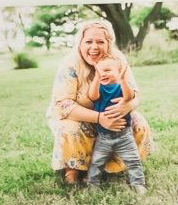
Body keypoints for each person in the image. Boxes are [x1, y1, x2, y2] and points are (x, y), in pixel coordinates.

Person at [47, 19, 154, 192]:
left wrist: (127, 107)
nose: (94, 47)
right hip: (77, 115)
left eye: (100, 42)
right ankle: (72, 170)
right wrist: (100, 118)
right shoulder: (70, 64)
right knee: (70, 129)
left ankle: (112, 166)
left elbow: (136, 95)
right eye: (88, 41)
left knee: (138, 122)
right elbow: (64, 105)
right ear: (80, 43)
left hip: (112, 115)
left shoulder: (118, 60)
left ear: (109, 43)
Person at [83, 55, 147, 195]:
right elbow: (92, 96)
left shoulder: (120, 87)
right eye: (100, 71)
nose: (103, 73)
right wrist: (96, 77)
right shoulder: (99, 88)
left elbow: (129, 97)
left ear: (118, 72)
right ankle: (93, 184)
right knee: (96, 162)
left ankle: (138, 183)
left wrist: (123, 79)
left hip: (124, 136)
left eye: (107, 70)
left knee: (133, 161)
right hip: (103, 138)